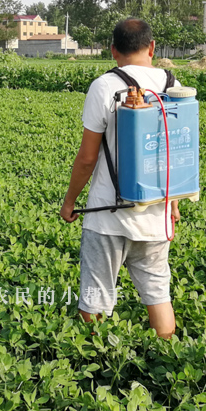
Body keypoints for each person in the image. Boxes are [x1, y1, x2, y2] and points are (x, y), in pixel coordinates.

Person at [59, 17, 181, 339]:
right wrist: (173, 201)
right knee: (158, 291)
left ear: (113, 51)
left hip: (106, 214)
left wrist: (70, 201)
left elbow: (87, 158)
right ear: (152, 48)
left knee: (96, 295)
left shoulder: (104, 86)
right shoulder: (172, 86)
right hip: (156, 210)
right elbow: (177, 151)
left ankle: (94, 358)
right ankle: (167, 354)